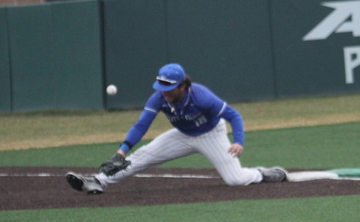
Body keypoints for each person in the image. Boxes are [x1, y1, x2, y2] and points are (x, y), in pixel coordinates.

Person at [66, 63, 287, 194]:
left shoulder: (201, 96)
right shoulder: (158, 98)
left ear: (183, 85)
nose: (164, 92)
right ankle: (97, 181)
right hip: (182, 135)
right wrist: (121, 151)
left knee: (235, 180)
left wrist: (238, 141)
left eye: (169, 88)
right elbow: (142, 125)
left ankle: (261, 173)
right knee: (141, 156)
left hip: (211, 134)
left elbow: (233, 115)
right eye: (161, 87)